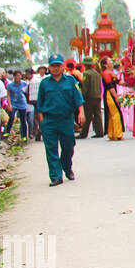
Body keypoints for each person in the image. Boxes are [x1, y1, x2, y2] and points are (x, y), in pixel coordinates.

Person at [36, 54, 85, 187]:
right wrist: (42, 124)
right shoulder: (44, 84)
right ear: (49, 68)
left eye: (58, 65)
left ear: (63, 66)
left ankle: (67, 167)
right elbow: (39, 105)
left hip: (66, 119)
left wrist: (81, 112)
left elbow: (78, 99)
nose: (56, 68)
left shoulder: (70, 81)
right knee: (51, 149)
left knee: (69, 146)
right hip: (49, 120)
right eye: (53, 66)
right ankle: (56, 176)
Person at [77, 58, 104, 139]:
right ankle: (99, 132)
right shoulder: (97, 73)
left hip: (89, 97)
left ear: (85, 64)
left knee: (87, 115)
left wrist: (82, 96)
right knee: (97, 115)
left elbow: (85, 87)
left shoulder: (86, 74)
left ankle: (83, 133)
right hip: (97, 96)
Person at [100, 57, 124, 141]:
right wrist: (116, 97)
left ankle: (112, 133)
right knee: (115, 113)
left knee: (112, 114)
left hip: (112, 93)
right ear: (105, 65)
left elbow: (119, 82)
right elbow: (110, 87)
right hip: (109, 94)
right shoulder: (106, 73)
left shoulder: (111, 72)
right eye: (109, 61)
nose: (111, 62)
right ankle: (118, 134)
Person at [6, 71, 30, 140]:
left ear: (21, 76)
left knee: (23, 120)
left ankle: (24, 136)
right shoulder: (10, 85)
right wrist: (9, 104)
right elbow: (8, 95)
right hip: (13, 103)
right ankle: (7, 132)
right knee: (11, 117)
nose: (17, 77)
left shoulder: (24, 84)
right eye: (16, 75)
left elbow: (27, 93)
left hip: (22, 103)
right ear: (14, 77)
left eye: (19, 75)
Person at [28, 66, 44, 141]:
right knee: (36, 118)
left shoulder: (35, 81)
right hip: (35, 101)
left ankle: (38, 133)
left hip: (36, 101)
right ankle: (37, 133)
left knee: (37, 118)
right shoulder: (32, 81)